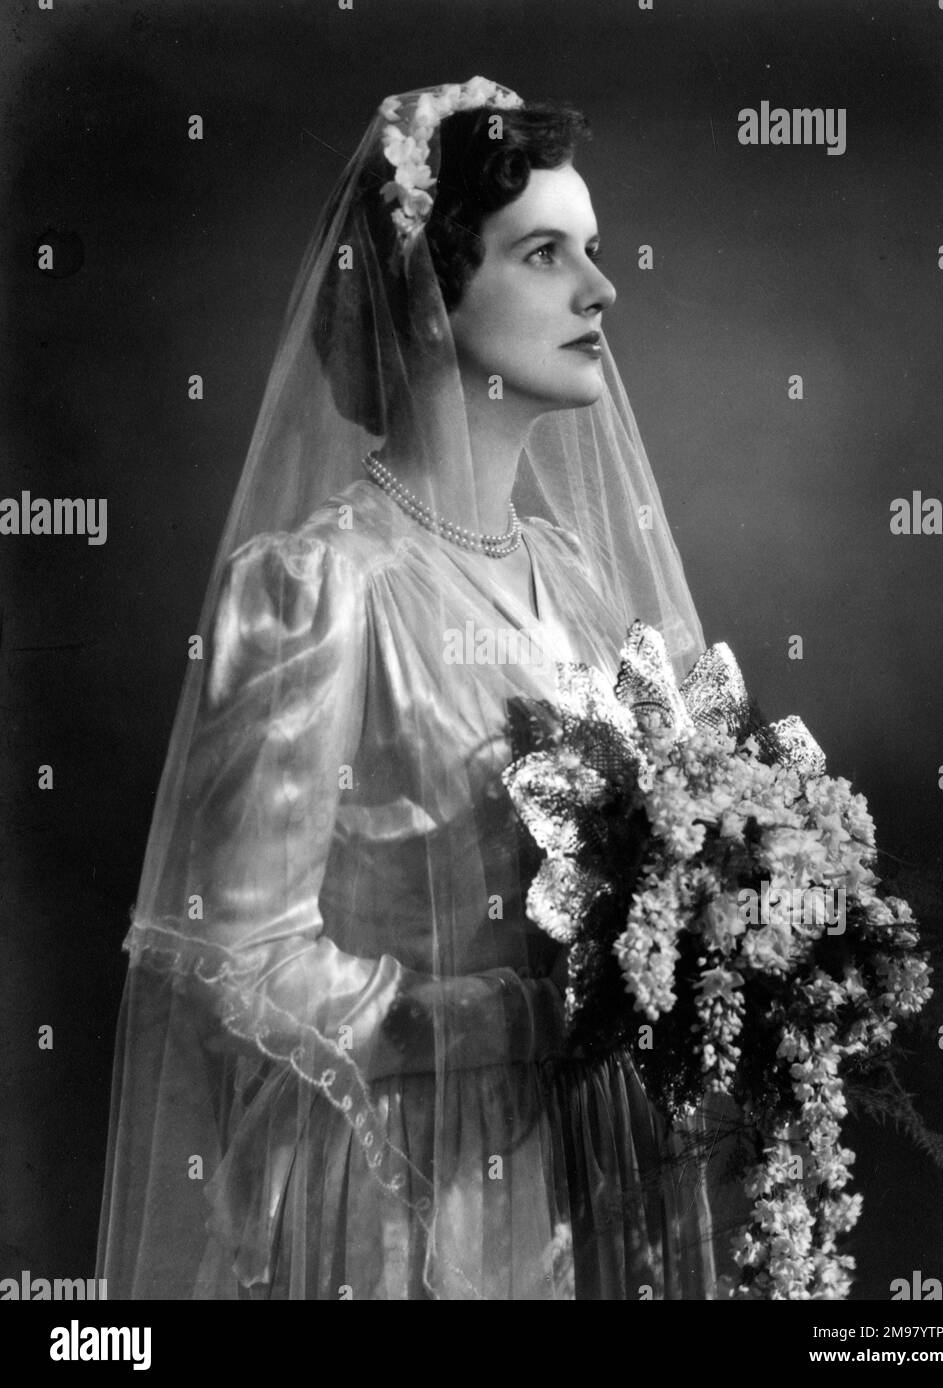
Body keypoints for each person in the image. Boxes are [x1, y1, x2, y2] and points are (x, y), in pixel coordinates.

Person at [96, 77, 730, 1300]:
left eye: (591, 252)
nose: (601, 293)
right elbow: (238, 958)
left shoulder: (576, 577)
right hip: (404, 1196)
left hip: (586, 1173)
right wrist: (512, 1018)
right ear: (430, 296)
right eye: (544, 254)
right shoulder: (315, 591)